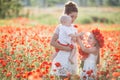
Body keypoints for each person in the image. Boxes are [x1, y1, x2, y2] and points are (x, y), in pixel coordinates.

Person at [50, 1, 78, 80]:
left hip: (71, 57)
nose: (73, 19)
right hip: (62, 56)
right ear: (65, 15)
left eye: (75, 17)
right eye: (72, 16)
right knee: (62, 77)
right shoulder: (60, 27)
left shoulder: (74, 27)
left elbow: (75, 41)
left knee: (70, 77)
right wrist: (66, 48)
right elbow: (52, 42)